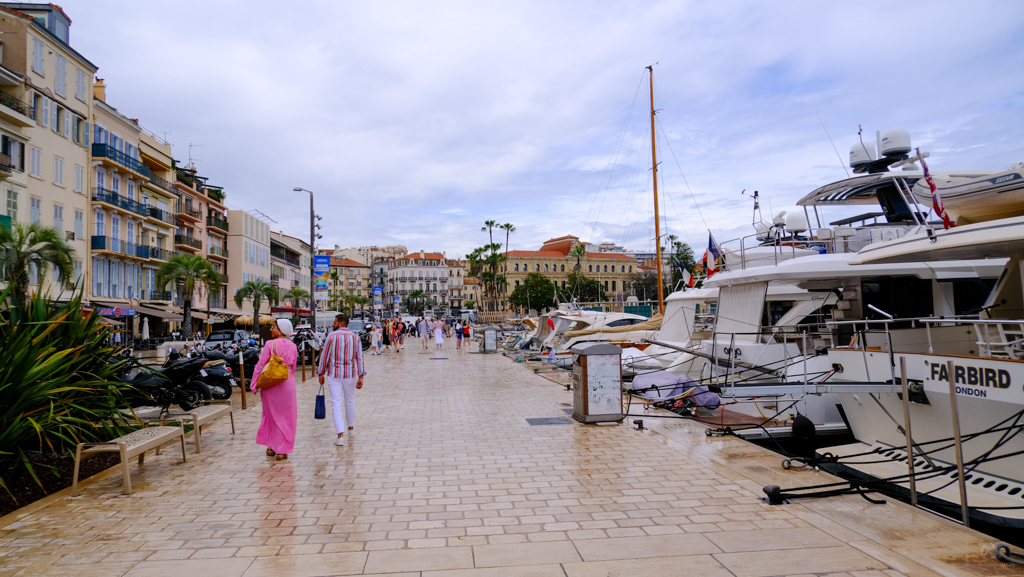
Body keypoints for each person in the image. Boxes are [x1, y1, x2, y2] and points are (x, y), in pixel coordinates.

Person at [251, 319, 298, 460]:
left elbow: (260, 365)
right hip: (287, 382)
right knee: (287, 416)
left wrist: (254, 384)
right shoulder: (293, 346)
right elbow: (293, 368)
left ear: (281, 330)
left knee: (271, 415)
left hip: (270, 384)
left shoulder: (270, 344)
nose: (271, 329)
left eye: (274, 327)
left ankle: (272, 446)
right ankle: (282, 450)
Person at [317, 314, 366, 446]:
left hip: (334, 374)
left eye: (335, 322)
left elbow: (324, 357)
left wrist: (320, 373)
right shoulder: (356, 338)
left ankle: (340, 436)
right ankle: (351, 429)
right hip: (350, 374)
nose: (333, 324)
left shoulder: (331, 337)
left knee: (336, 404)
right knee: (350, 401)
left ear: (341, 323)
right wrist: (361, 376)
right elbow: (359, 358)